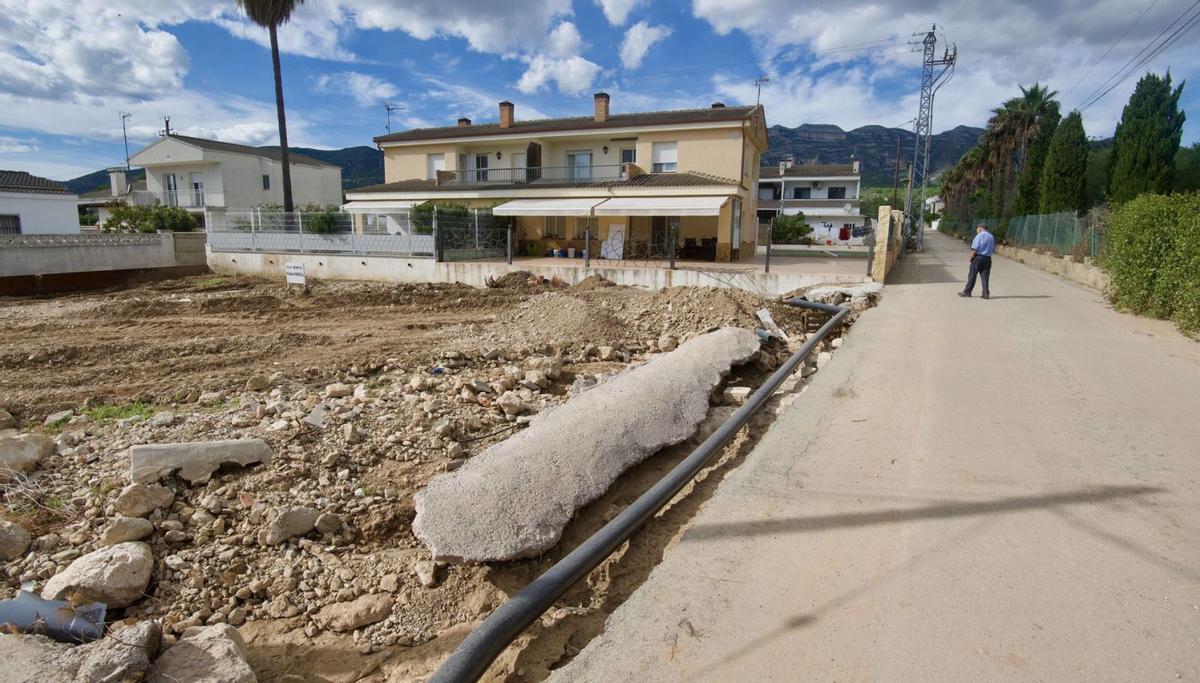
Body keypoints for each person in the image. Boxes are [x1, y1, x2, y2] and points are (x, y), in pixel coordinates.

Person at [959, 224, 995, 299]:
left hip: (978, 257)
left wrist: (971, 256)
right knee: (985, 277)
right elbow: (993, 248)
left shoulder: (979, 236)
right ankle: (985, 294)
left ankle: (967, 292)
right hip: (987, 259)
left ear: (980, 228)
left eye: (977, 229)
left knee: (972, 275)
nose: (977, 230)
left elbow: (975, 248)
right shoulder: (991, 236)